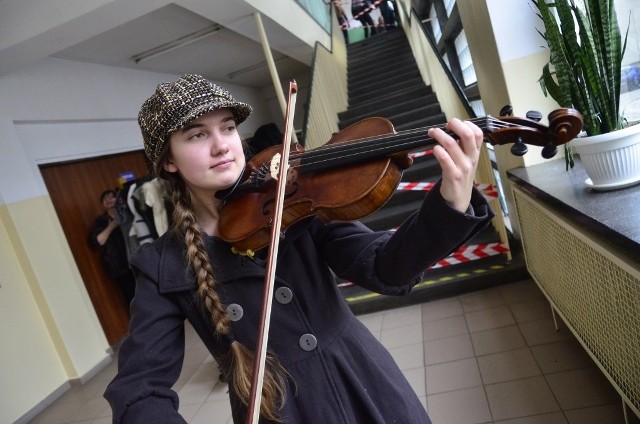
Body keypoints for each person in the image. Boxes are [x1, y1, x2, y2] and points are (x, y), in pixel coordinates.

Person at [104, 74, 494, 423]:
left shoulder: (292, 203)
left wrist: (450, 200)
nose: (223, 146)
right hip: (279, 411)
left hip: (360, 382)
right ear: (168, 162)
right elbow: (139, 390)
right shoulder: (161, 263)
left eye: (226, 128)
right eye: (196, 135)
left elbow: (384, 267)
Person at [90, 189, 136, 306]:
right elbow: (97, 241)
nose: (109, 200)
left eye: (112, 197)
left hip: (136, 260)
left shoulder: (128, 213)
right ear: (103, 205)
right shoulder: (101, 222)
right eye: (105, 199)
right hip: (120, 266)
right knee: (132, 298)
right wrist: (112, 225)